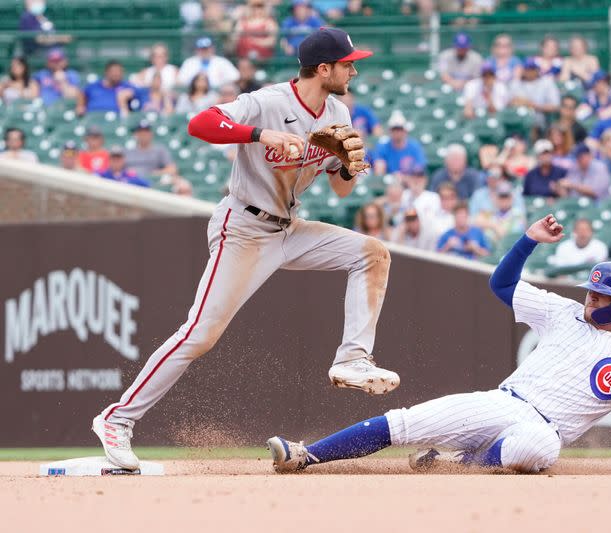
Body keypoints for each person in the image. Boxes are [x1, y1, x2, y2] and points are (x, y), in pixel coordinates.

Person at [91, 27, 400, 472]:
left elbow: (338, 187)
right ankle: (117, 419)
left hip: (288, 228)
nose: (354, 69)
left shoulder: (338, 110)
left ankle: (353, 359)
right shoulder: (269, 101)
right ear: (324, 68)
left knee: (372, 252)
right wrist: (260, 135)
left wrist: (349, 168)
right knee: (200, 334)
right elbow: (199, 124)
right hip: (244, 228)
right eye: (348, 63)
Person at [266, 214, 611, 477]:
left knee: (537, 448)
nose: (591, 300)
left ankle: (458, 462)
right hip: (502, 401)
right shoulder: (562, 311)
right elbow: (502, 283)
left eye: (602, 297)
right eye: (591, 292)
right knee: (405, 422)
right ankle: (306, 454)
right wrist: (528, 241)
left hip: (544, 427)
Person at [508, 58, 560, 130]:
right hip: (517, 118)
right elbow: (508, 103)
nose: (529, 72)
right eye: (527, 69)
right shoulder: (515, 83)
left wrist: (534, 105)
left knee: (532, 120)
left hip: (540, 117)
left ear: (537, 70)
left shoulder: (547, 82)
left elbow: (555, 106)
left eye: (532, 69)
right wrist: (520, 102)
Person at [372, 112, 426, 176]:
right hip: (389, 181)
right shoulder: (383, 147)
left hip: (409, 180)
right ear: (390, 131)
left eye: (400, 129)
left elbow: (419, 169)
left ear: (405, 131)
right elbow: (379, 169)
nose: (397, 132)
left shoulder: (414, 147)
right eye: (394, 129)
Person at [473, 181, 526, 245]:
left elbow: (512, 236)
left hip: (509, 249)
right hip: (491, 250)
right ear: (496, 198)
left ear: (511, 198)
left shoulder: (517, 214)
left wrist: (495, 229)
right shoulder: (491, 212)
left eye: (506, 197)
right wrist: (494, 226)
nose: (504, 200)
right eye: (501, 197)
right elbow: (474, 222)